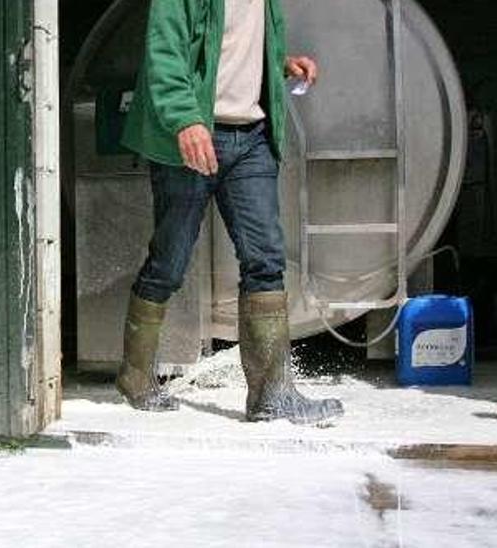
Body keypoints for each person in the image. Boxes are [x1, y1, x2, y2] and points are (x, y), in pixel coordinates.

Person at [115, 0, 344, 424]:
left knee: (266, 259)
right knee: (170, 261)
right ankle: (135, 375)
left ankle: (271, 396)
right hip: (192, 136)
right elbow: (164, 53)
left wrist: (279, 64)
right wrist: (185, 120)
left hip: (251, 137)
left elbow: (233, 45)